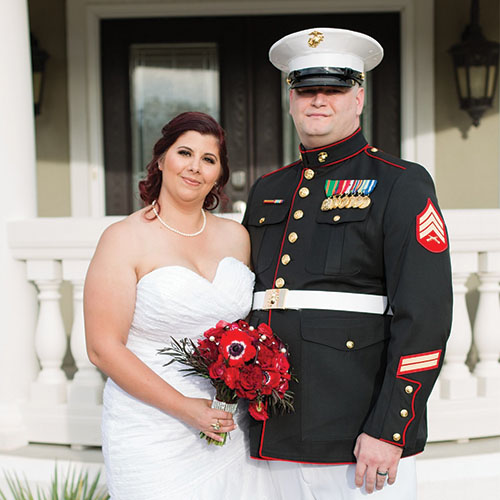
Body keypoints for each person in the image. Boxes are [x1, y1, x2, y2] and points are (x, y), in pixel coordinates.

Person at [243, 28, 453, 499]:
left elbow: (425, 317)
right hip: (272, 430)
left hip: (358, 436)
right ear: (291, 99)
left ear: (358, 98)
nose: (318, 101)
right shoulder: (267, 189)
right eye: (305, 89)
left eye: (333, 89)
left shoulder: (401, 183)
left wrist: (389, 429)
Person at [84, 112, 275, 499]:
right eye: (184, 152)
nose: (195, 167)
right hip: (151, 428)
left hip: (229, 426)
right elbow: (102, 348)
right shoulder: (123, 239)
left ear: (219, 175)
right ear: (160, 160)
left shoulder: (237, 237)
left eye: (209, 159)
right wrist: (187, 408)